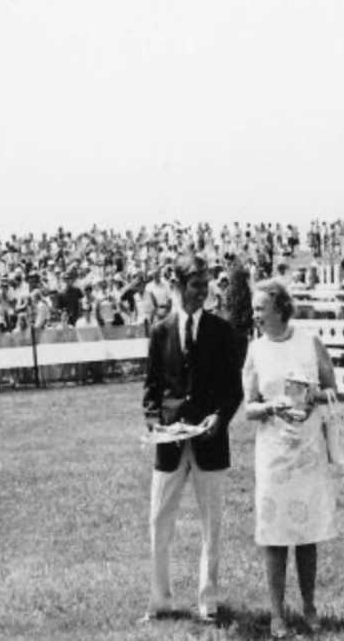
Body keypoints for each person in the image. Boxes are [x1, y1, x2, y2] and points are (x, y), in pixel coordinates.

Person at [141, 254, 243, 624]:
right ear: (179, 285)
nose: (204, 291)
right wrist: (154, 422)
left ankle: (208, 602)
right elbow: (151, 388)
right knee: (159, 521)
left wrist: (221, 416)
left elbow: (234, 390)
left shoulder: (221, 330)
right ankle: (159, 601)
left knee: (211, 525)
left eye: (207, 284)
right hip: (169, 443)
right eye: (197, 284)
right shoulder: (160, 330)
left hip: (210, 441)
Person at [242, 278, 338, 638]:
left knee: (308, 534)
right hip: (273, 456)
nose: (255, 315)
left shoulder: (309, 341)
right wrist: (270, 406)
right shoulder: (256, 351)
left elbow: (333, 390)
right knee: (275, 537)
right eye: (254, 309)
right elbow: (249, 407)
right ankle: (276, 614)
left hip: (307, 452)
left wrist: (314, 395)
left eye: (260, 309)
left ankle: (310, 605)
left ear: (281, 308)